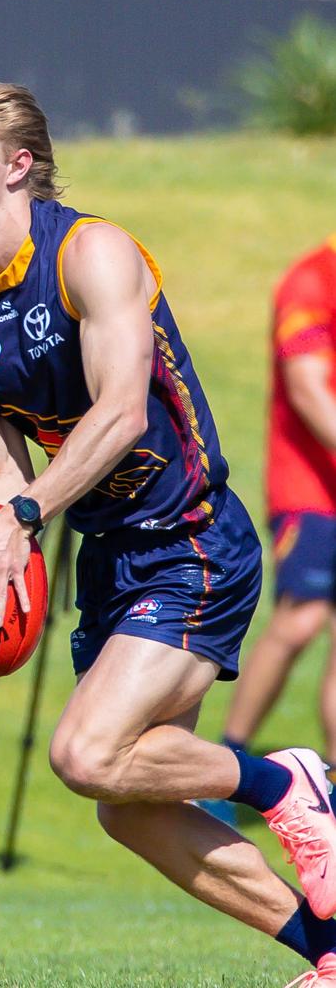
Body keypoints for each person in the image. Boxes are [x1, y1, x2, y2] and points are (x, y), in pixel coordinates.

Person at [0, 71, 336, 986]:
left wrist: (24, 517)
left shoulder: (92, 256)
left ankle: (285, 781)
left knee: (84, 754)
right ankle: (330, 955)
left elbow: (122, 417)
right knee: (130, 803)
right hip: (112, 563)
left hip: (189, 540)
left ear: (19, 165)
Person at [217, 238, 336, 789]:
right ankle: (229, 762)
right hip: (311, 489)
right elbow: (309, 392)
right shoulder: (311, 280)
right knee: (302, 618)